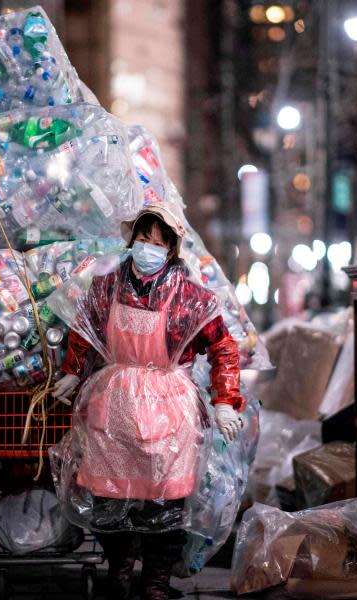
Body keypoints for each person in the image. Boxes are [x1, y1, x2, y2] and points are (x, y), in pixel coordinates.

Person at [51, 204, 244, 600]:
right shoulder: (105, 288)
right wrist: (72, 370)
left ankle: (155, 581)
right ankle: (119, 571)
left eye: (157, 243)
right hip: (114, 404)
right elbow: (83, 332)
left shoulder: (190, 297)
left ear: (171, 248)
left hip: (169, 410)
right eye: (142, 240)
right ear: (131, 240)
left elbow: (223, 348)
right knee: (108, 496)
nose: (147, 249)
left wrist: (226, 401)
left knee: (165, 502)